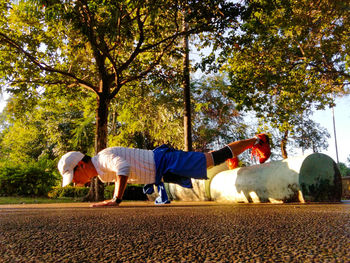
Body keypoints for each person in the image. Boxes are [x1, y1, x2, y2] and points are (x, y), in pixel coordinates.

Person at [58, 134, 271, 207]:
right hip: (161, 170)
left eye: (73, 177)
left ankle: (257, 140)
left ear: (82, 165)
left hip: (164, 161)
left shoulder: (103, 158)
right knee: (210, 160)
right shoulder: (101, 171)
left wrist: (116, 200)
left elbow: (123, 168)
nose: (75, 183)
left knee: (211, 159)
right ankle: (236, 152)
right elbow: (120, 173)